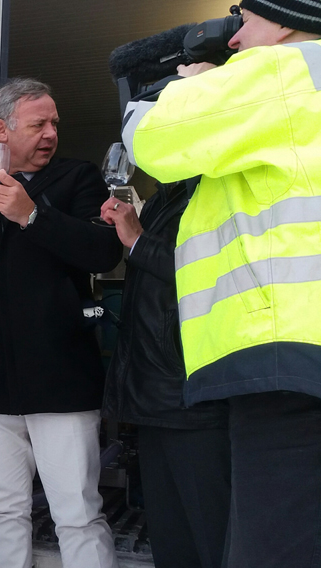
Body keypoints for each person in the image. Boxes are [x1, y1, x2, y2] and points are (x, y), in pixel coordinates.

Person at [122, 2, 321, 566]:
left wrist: (190, 86)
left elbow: (150, 139)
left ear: (284, 22)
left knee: (270, 548)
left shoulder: (282, 69)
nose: (233, 42)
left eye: (244, 23)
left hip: (285, 353)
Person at [0, 78, 122, 568]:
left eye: (55, 124)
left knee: (77, 512)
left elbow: (104, 251)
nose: (51, 134)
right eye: (39, 124)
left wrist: (33, 216)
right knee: (1, 511)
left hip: (62, 378)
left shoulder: (79, 179)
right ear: (1, 130)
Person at [100, 179, 230, 568]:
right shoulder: (165, 198)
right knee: (171, 542)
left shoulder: (219, 189)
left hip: (194, 396)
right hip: (154, 394)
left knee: (213, 539)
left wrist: (139, 241)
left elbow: (215, 274)